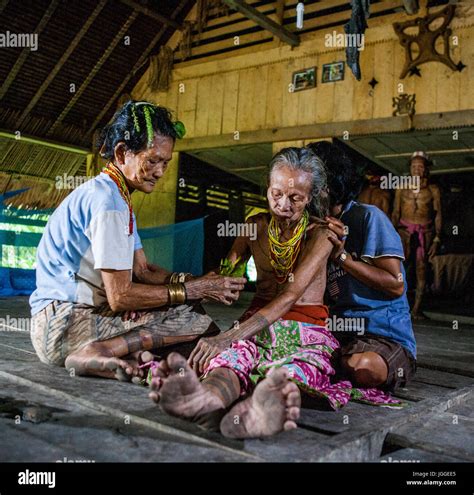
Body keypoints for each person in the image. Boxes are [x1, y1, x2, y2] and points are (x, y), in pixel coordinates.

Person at [149, 147, 400, 440]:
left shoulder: (321, 235)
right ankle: (208, 399)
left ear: (312, 198)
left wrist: (231, 334)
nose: (283, 204)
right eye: (276, 194)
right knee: (229, 362)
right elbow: (225, 273)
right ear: (267, 189)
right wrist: (200, 287)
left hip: (306, 329)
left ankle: (258, 413)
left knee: (292, 374)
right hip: (255, 323)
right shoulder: (253, 227)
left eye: (296, 198)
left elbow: (292, 294)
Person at [29, 101, 246, 380]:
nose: (160, 171)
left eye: (165, 163)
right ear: (122, 153)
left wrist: (197, 281)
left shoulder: (114, 195)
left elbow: (144, 271)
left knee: (180, 305)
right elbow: (120, 297)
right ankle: (98, 350)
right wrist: (196, 290)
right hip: (64, 327)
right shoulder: (109, 202)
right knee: (193, 319)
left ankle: (129, 356)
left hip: (64, 323)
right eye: (153, 160)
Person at [308, 141, 416, 392]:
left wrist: (342, 257)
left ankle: (331, 364)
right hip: (339, 334)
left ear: (327, 185)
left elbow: (395, 285)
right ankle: (330, 361)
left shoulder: (368, 217)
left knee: (366, 368)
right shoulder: (312, 226)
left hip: (383, 337)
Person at [391, 151, 442, 318]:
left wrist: (437, 238)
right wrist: (391, 233)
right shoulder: (401, 188)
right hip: (404, 231)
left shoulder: (433, 190)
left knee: (421, 267)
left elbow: (438, 215)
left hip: (424, 232)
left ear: (426, 169)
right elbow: (396, 212)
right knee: (399, 266)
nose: (417, 170)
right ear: (410, 169)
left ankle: (416, 309)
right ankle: (398, 306)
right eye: (414, 166)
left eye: (421, 166)